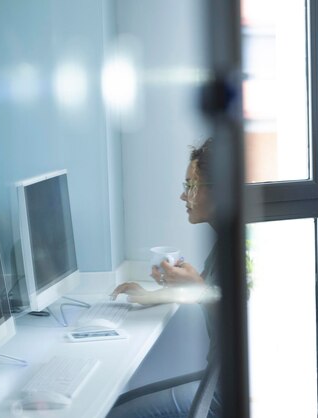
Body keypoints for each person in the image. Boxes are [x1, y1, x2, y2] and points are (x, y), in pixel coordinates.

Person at [107, 138, 221, 418]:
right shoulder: (224, 239)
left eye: (190, 186)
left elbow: (238, 314)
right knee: (116, 405)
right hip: (216, 376)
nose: (184, 196)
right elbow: (213, 290)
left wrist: (197, 286)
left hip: (225, 394)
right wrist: (151, 294)